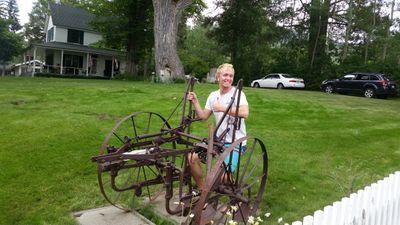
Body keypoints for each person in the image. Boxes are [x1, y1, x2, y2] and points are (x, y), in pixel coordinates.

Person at [187, 63, 249, 191]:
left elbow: (244, 113)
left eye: (231, 76)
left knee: (222, 178)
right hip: (218, 140)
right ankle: (202, 190)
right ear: (218, 77)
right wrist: (195, 102)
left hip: (236, 142)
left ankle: (233, 188)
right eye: (225, 75)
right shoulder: (213, 95)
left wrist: (222, 108)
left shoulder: (238, 94)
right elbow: (204, 116)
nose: (228, 78)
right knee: (192, 158)